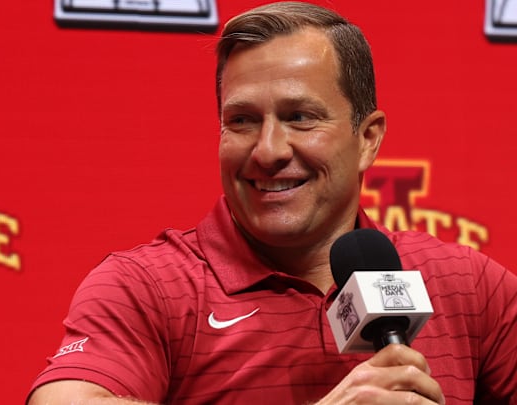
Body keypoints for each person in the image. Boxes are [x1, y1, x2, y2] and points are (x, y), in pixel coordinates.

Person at [27, 2, 517, 404]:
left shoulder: (464, 282)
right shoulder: (147, 287)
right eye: (242, 121)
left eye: (299, 116)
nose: (267, 151)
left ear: (368, 138)